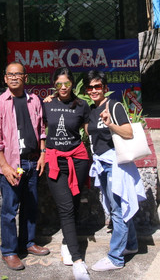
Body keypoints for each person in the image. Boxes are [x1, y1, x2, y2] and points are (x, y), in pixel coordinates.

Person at [0, 61, 50, 271]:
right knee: (9, 210)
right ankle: (9, 251)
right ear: (5, 79)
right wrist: (4, 166)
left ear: (25, 78)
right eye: (10, 74)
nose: (14, 77)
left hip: (32, 161)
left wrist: (42, 154)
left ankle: (28, 243)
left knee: (30, 206)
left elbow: (41, 129)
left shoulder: (34, 101)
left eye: (18, 74)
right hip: (11, 165)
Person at [85, 70, 146, 272]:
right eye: (90, 87)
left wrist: (110, 123)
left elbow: (128, 132)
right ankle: (131, 244)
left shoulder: (114, 106)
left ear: (105, 88)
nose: (94, 90)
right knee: (114, 207)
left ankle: (115, 258)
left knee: (118, 210)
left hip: (115, 165)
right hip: (101, 164)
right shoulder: (92, 111)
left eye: (97, 86)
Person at [42, 67, 92, 280]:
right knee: (65, 207)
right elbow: (40, 130)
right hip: (54, 161)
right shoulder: (47, 104)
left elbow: (90, 131)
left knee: (73, 202)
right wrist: (42, 152)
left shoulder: (82, 105)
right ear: (54, 84)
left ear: (72, 84)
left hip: (78, 159)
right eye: (59, 84)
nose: (63, 88)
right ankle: (78, 259)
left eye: (67, 84)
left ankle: (66, 240)